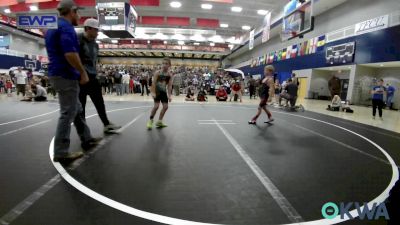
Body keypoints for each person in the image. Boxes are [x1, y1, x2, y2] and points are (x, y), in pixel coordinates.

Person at [46, 0, 102, 162]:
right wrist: (82, 72)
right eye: (77, 12)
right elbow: (70, 54)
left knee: (76, 108)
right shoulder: (66, 28)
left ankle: (87, 138)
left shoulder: (54, 27)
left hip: (59, 73)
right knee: (67, 112)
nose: (79, 16)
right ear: (71, 11)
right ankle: (61, 152)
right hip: (65, 75)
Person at [78, 18, 121, 134]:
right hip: (80, 77)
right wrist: (81, 73)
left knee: (99, 102)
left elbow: (93, 62)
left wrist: (95, 73)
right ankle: (83, 132)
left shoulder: (95, 45)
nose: (98, 33)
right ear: (88, 29)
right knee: (81, 105)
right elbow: (74, 58)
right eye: (96, 30)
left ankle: (106, 124)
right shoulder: (78, 39)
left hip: (92, 77)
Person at [147, 58, 173, 129]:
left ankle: (159, 122)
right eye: (163, 63)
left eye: (166, 64)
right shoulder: (157, 73)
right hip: (157, 91)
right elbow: (153, 83)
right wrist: (152, 92)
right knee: (156, 106)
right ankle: (150, 121)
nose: (164, 65)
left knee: (165, 107)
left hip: (163, 92)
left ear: (169, 65)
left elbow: (170, 86)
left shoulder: (170, 75)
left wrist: (169, 95)